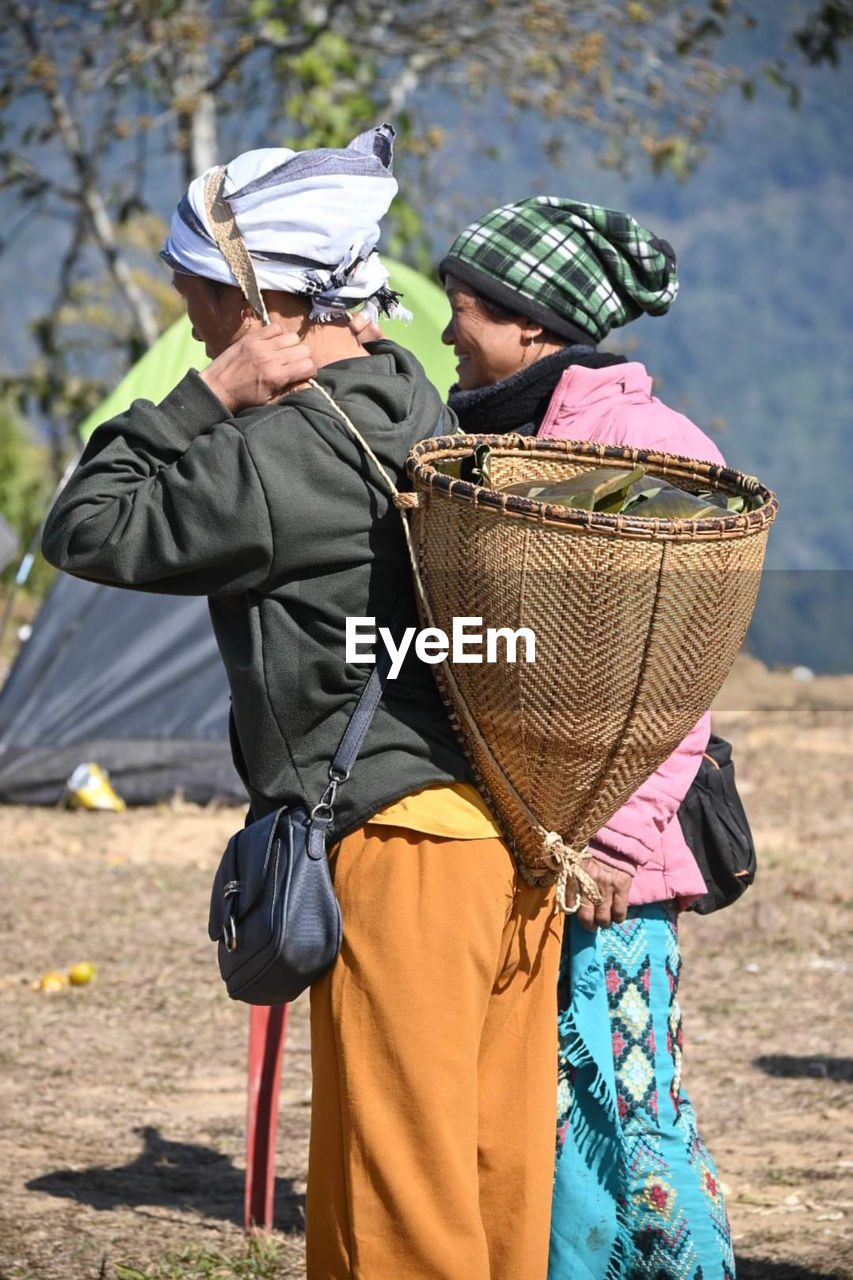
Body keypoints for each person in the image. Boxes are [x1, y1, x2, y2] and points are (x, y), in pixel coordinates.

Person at [41, 129, 563, 1280]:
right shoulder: (409, 393)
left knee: (399, 1217)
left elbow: (85, 524)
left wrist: (202, 397)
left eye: (194, 292)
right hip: (509, 848)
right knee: (484, 1190)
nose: (183, 312)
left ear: (257, 293)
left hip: (400, 849)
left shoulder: (279, 453)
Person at [434, 198, 736, 1279]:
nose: (447, 332)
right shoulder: (511, 443)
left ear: (527, 322)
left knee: (627, 1108)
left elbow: (678, 672)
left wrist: (616, 830)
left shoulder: (649, 450)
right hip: (525, 846)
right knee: (548, 1121)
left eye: (462, 309)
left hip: (610, 857)